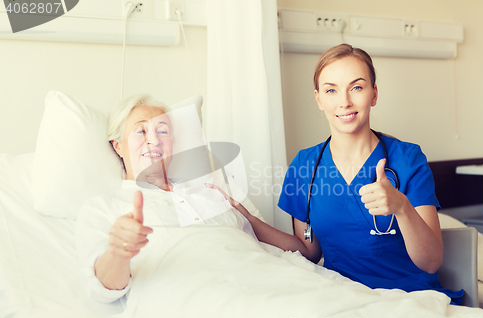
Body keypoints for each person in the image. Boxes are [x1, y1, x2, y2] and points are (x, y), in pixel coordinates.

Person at [207, 43, 463, 304]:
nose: (345, 102)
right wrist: (248, 218)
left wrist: (401, 207)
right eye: (331, 90)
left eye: (357, 87)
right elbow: (308, 249)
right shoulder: (304, 165)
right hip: (342, 298)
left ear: (374, 94)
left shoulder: (408, 159)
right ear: (319, 99)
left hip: (411, 299)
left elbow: (431, 262)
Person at [75, 94, 255, 304]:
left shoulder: (210, 195)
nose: (154, 140)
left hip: (264, 280)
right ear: (118, 146)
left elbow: (265, 248)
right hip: (198, 299)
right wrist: (118, 253)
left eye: (163, 131)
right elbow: (101, 291)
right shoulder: (103, 207)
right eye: (141, 130)